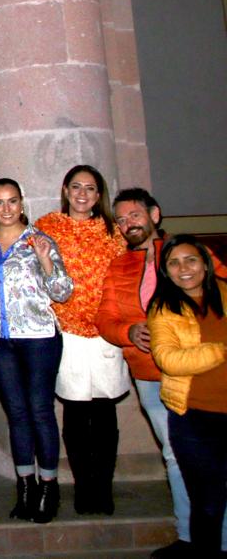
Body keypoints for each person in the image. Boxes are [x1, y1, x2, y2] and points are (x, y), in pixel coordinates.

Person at [96, 189, 227, 555]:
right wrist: (128, 332)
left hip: (202, 373)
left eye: (134, 215)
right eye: (120, 220)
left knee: (214, 463)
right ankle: (189, 537)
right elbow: (105, 318)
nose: (127, 224)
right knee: (174, 455)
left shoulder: (186, 253)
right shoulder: (118, 265)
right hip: (150, 372)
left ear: (155, 214)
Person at [0, 179, 73, 523]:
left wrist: (47, 262)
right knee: (16, 413)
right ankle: (26, 487)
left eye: (12, 201)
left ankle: (49, 487)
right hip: (0, 342)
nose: (6, 209)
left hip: (39, 338)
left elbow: (62, 291)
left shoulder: (40, 240)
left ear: (21, 203)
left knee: (40, 411)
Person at [34, 164, 126, 515]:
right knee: (74, 413)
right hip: (67, 332)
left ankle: (103, 488)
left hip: (105, 334)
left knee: (103, 413)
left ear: (98, 195)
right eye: (76, 187)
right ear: (65, 190)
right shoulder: (48, 226)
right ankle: (83, 486)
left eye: (90, 188)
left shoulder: (111, 232)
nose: (83, 194)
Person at [148, 236, 227, 556]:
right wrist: (221, 351)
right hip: (194, 419)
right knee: (207, 504)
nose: (184, 269)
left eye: (191, 260)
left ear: (205, 263)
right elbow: (170, 360)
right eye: (174, 263)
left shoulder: (225, 291)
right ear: (166, 271)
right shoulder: (163, 308)